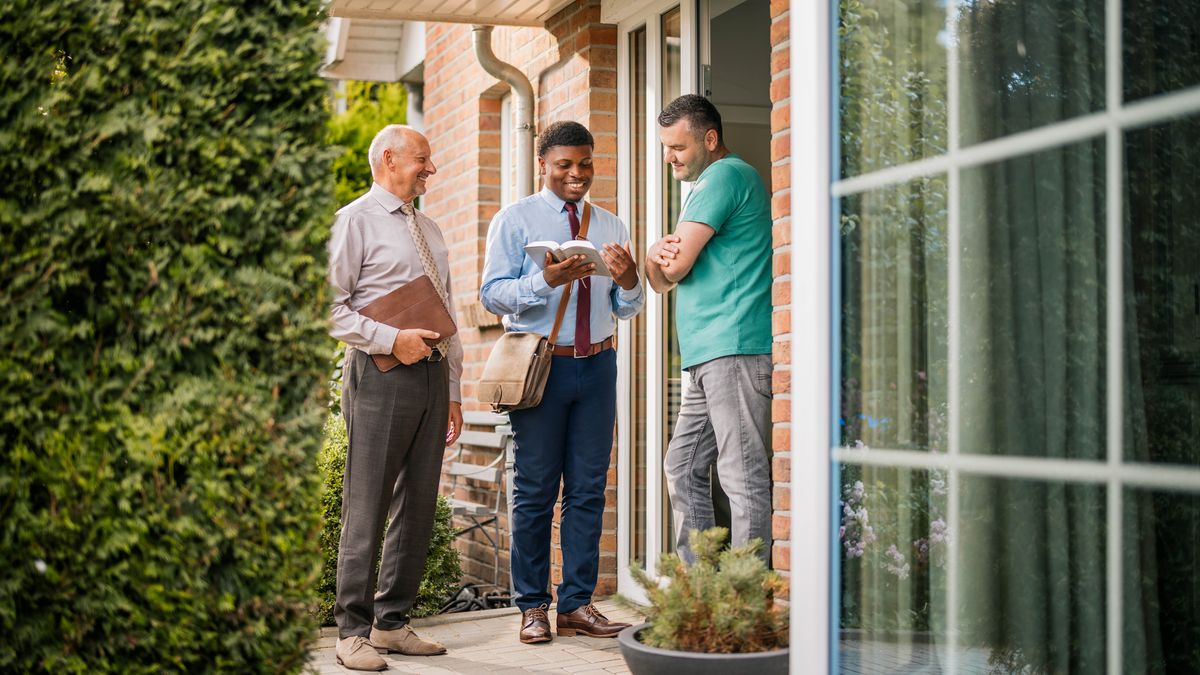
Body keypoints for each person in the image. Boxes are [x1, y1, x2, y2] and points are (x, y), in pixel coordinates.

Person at [480, 121, 644, 644]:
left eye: (586, 163)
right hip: (542, 367)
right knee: (534, 490)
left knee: (589, 489)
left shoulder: (611, 224)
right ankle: (532, 607)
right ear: (543, 165)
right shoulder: (515, 220)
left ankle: (577, 604)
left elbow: (626, 307)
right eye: (565, 165)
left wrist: (628, 281)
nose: (577, 174)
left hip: (597, 366)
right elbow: (490, 295)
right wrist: (543, 281)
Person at [327, 124, 463, 671]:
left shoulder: (429, 228)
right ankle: (351, 632)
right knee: (368, 503)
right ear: (388, 158)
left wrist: (453, 390)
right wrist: (392, 340)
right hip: (380, 374)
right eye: (422, 160)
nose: (430, 169)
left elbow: (447, 312)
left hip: (432, 376)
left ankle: (391, 624)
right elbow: (329, 308)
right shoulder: (354, 221)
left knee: (419, 504)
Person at [646, 94, 773, 565]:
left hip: (735, 348)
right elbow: (660, 281)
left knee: (741, 476)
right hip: (707, 356)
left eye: (677, 147)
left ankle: (746, 602)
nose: (669, 157)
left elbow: (672, 269)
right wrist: (653, 261)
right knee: (683, 466)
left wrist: (657, 258)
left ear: (710, 138)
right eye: (664, 147)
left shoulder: (726, 175)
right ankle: (700, 593)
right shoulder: (703, 188)